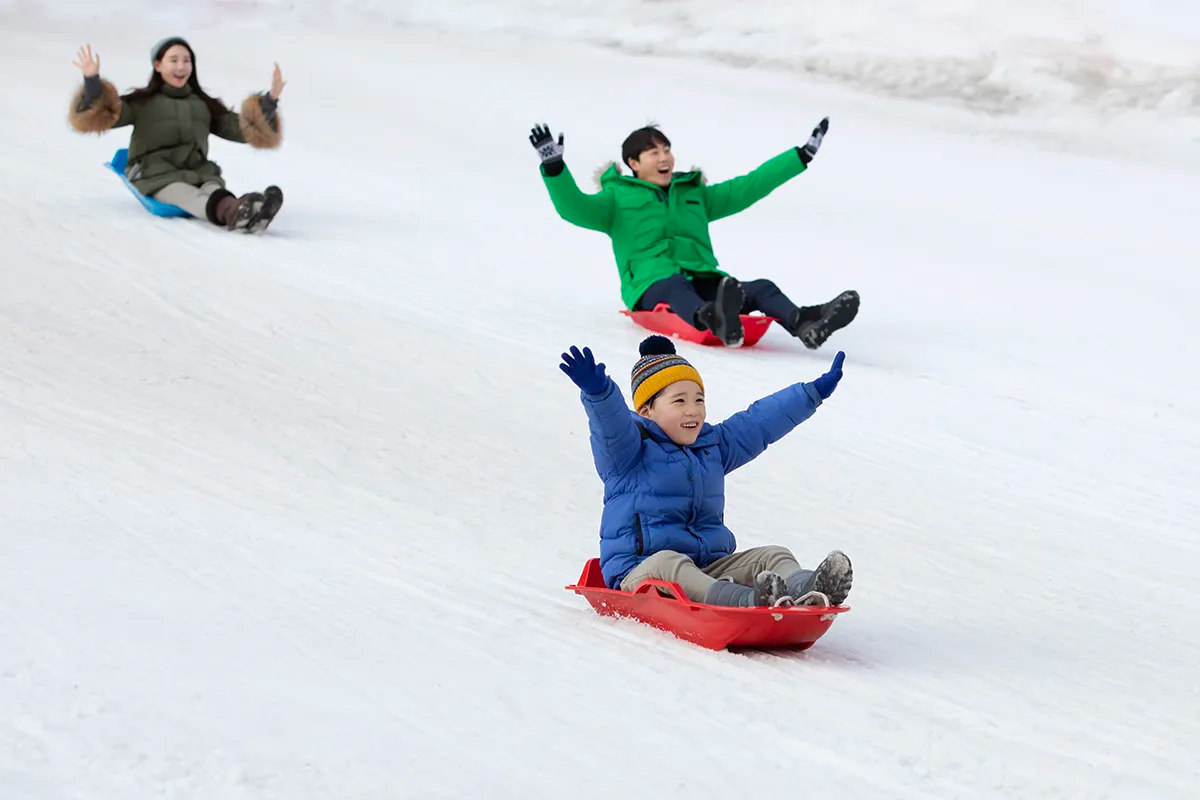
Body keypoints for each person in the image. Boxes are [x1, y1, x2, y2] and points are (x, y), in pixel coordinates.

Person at [559, 334, 854, 607]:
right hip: (641, 571)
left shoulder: (712, 446)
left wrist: (812, 393)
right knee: (668, 563)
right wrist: (600, 394)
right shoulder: (629, 452)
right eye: (680, 401)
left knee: (772, 555)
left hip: (707, 568)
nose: (694, 410)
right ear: (646, 411)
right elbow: (610, 427)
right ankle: (749, 601)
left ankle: (808, 589)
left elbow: (760, 422)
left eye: (699, 399)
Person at [532, 119, 859, 348]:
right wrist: (554, 168)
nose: (665, 158)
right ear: (634, 162)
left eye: (667, 149)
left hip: (702, 277)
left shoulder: (694, 194)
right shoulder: (615, 199)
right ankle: (714, 319)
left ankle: (804, 325)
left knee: (760, 288)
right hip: (650, 284)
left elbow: (748, 187)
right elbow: (572, 208)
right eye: (654, 153)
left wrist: (799, 157)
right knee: (676, 286)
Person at [68, 37, 285, 233]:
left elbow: (241, 129)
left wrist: (269, 102)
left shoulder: (202, 104)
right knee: (186, 194)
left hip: (197, 170)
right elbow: (105, 114)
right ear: (158, 65)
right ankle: (232, 213)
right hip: (156, 174)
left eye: (186, 60)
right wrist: (92, 82)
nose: (181, 66)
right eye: (173, 60)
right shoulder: (142, 103)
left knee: (212, 187)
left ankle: (254, 209)